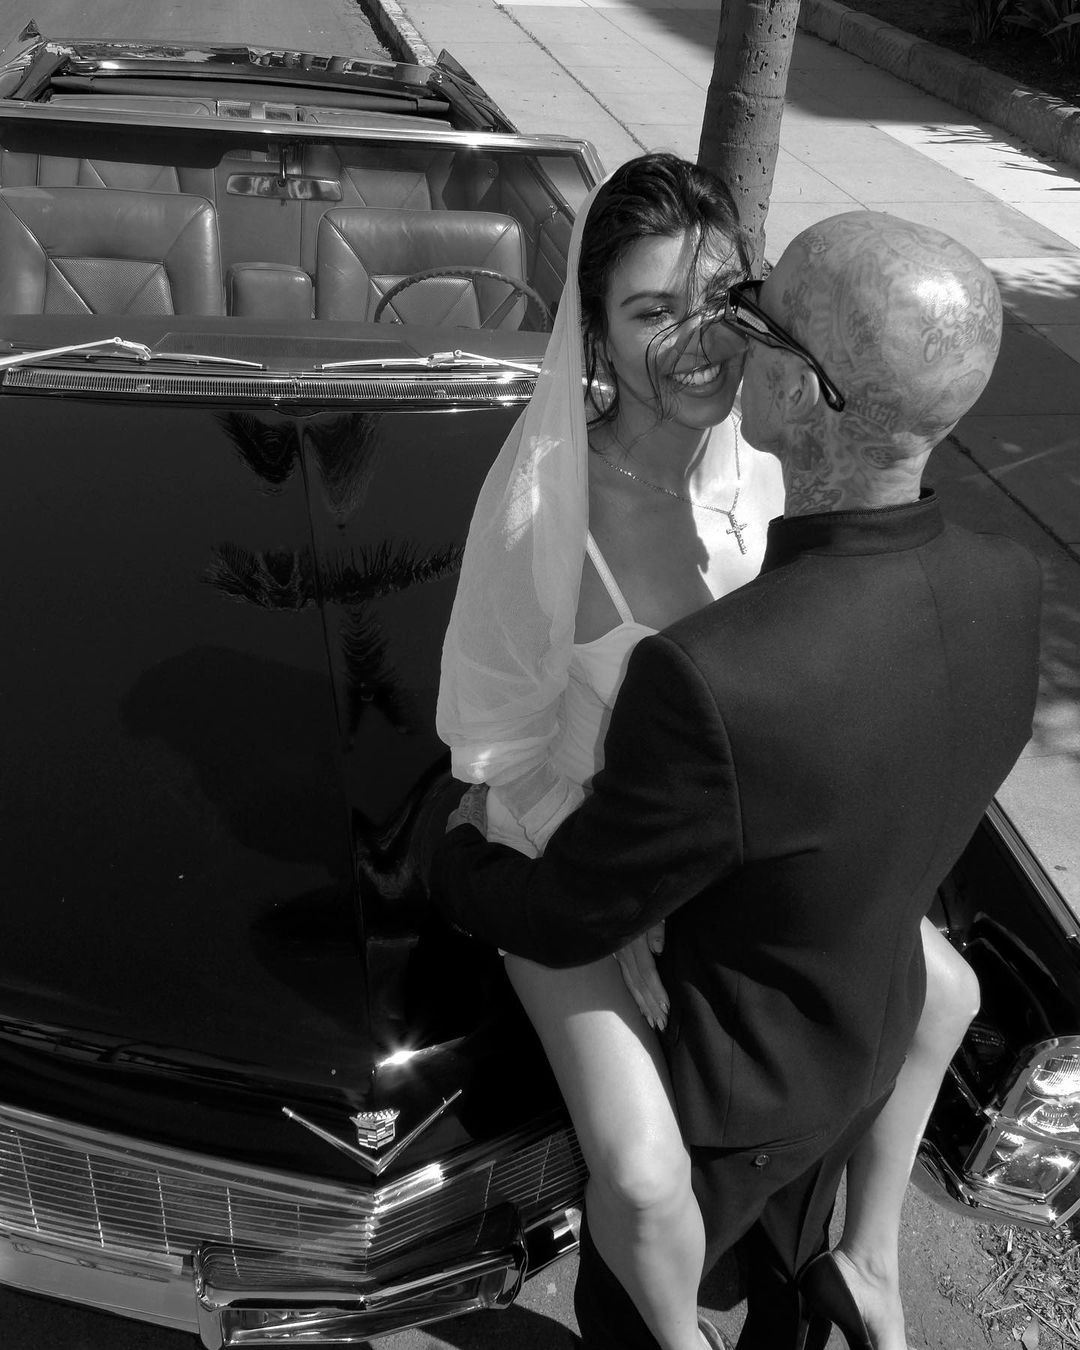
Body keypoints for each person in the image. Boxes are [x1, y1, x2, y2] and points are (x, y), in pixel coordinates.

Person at [437, 179, 1032, 1348]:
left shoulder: (770, 457)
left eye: (720, 299)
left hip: (718, 842)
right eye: (651, 312)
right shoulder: (545, 512)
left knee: (948, 995)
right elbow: (499, 742)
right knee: (647, 1175)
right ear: (595, 334)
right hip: (581, 846)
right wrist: (592, 891)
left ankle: (869, 1264)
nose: (699, 339)